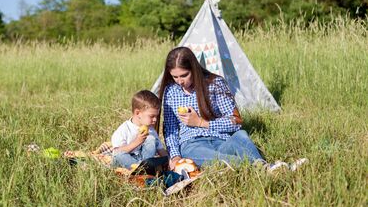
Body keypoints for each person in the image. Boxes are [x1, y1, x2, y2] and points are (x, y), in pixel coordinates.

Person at [158, 47, 307, 172]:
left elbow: (236, 121)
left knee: (241, 135)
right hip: (192, 145)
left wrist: (202, 123)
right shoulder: (171, 91)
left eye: (184, 75)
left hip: (221, 140)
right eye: (175, 77)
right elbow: (170, 130)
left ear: (194, 69)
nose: (180, 81)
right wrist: (175, 156)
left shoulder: (214, 84)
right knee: (224, 160)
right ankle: (268, 168)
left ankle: (266, 168)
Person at [111, 90, 168, 169]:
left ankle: (144, 167)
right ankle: (143, 169)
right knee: (118, 155)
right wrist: (137, 141)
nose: (155, 120)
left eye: (156, 116)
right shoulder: (124, 129)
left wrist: (170, 161)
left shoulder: (150, 130)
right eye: (152, 116)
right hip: (126, 159)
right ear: (138, 113)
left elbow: (160, 150)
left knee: (151, 139)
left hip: (143, 159)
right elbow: (117, 152)